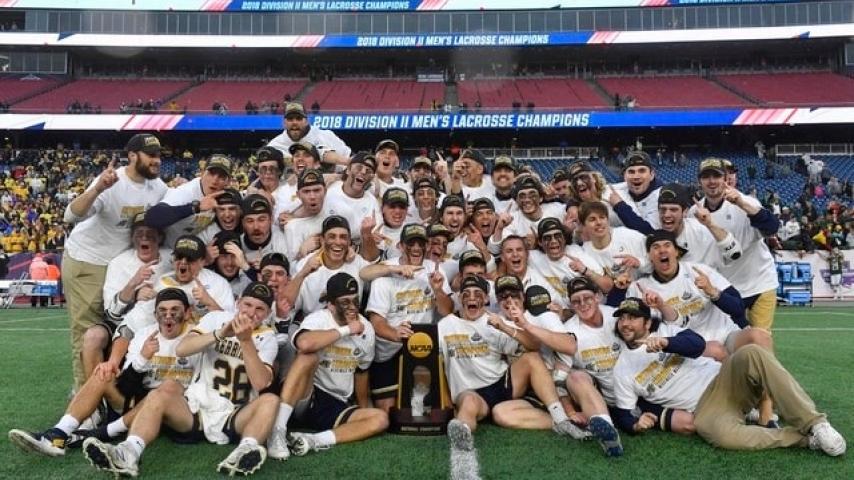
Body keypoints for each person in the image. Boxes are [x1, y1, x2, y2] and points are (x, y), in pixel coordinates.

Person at [82, 283, 282, 477]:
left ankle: (244, 452)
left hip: (235, 413)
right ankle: (128, 452)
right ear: (238, 303)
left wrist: (246, 342)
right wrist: (220, 334)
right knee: (160, 393)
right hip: (197, 408)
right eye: (247, 304)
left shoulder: (268, 338)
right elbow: (182, 349)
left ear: (268, 313)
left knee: (271, 400)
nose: (251, 313)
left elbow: (261, 384)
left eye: (260, 309)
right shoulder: (216, 319)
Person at [611, 297, 846, 456]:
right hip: (706, 407)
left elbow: (697, 344)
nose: (625, 324)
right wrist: (634, 424)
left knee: (752, 352)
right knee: (718, 434)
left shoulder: (666, 331)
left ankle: (816, 424)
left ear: (647, 322)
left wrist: (666, 343)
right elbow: (623, 412)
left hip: (724, 378)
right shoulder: (622, 367)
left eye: (632, 318)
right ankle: (805, 439)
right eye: (622, 319)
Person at [9, 288, 198, 458]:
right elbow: (126, 386)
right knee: (103, 373)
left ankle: (102, 433)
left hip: (177, 410)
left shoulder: (196, 336)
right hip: (138, 400)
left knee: (167, 388)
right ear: (155, 315)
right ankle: (58, 434)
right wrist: (142, 358)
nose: (168, 316)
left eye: (175, 310)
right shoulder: (144, 335)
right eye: (162, 311)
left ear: (188, 313)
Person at [63, 133, 168, 389]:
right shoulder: (112, 181)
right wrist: (98, 188)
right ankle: (84, 394)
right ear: (132, 156)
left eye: (158, 155)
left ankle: (111, 388)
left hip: (124, 262)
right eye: (150, 155)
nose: (156, 160)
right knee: (89, 332)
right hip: (90, 260)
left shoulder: (158, 187)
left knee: (119, 325)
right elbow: (70, 215)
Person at [438, 275, 585, 454]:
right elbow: (432, 359)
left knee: (531, 358)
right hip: (471, 392)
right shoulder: (445, 325)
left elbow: (534, 346)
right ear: (459, 298)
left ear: (486, 299)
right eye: (466, 294)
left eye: (478, 293)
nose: (472, 298)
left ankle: (561, 418)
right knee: (482, 407)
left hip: (502, 383)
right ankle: (462, 432)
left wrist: (504, 327)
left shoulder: (495, 320)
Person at [268, 273, 387, 461]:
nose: (352, 307)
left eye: (355, 300)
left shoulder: (367, 329)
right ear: (331, 305)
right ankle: (278, 430)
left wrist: (362, 407)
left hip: (336, 402)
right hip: (307, 395)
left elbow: (361, 373)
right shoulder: (319, 319)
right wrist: (347, 330)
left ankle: (312, 440)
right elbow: (304, 343)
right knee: (307, 357)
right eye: (345, 302)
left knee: (380, 419)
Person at [360, 223, 453, 410]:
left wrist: (438, 291)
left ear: (427, 246)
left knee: (428, 408)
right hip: (389, 349)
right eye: (411, 243)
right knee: (388, 410)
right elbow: (376, 322)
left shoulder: (433, 269)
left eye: (421, 244)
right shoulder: (385, 273)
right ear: (401, 246)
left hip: (421, 346)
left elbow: (447, 311)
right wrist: (396, 334)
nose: (416, 248)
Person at [690, 158, 780, 331]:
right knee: (729, 339)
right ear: (699, 181)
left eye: (716, 176)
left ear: (725, 179)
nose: (711, 181)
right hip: (726, 288)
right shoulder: (695, 212)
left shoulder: (746, 202)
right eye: (706, 177)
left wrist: (741, 203)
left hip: (759, 282)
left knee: (760, 338)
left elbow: (772, 227)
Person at [146, 154, 232, 248]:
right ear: (202, 173)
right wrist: (195, 207)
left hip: (189, 248)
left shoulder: (223, 195)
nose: (215, 180)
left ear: (228, 182)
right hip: (166, 249)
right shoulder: (186, 192)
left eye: (221, 177)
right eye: (211, 173)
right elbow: (152, 218)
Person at [323, 152, 381, 247]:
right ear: (348, 170)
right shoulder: (329, 187)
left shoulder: (372, 203)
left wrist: (369, 237)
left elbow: (375, 240)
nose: (363, 172)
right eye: (359, 167)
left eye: (368, 170)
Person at [267, 102, 351, 167]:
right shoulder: (275, 145)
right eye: (290, 119)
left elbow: (350, 162)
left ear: (307, 121)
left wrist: (337, 176)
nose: (294, 122)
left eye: (299, 118)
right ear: (284, 122)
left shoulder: (326, 136)